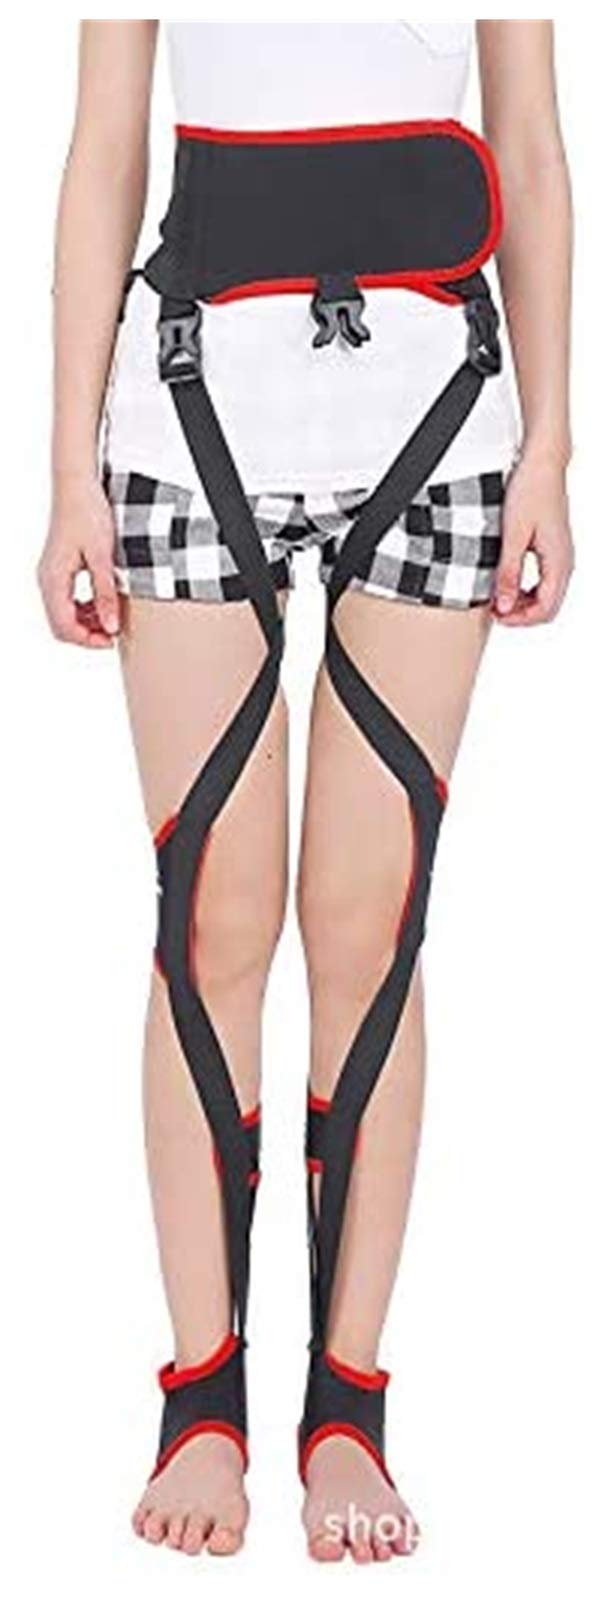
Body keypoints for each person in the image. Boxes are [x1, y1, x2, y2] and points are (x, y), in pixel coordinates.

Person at [38, 21, 573, 1564]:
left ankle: (347, 1407)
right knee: (208, 918)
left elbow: (530, 148)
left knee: (368, 927)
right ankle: (201, 1396)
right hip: (189, 402)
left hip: (438, 414)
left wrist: (549, 452)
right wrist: (67, 473)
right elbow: (104, 149)